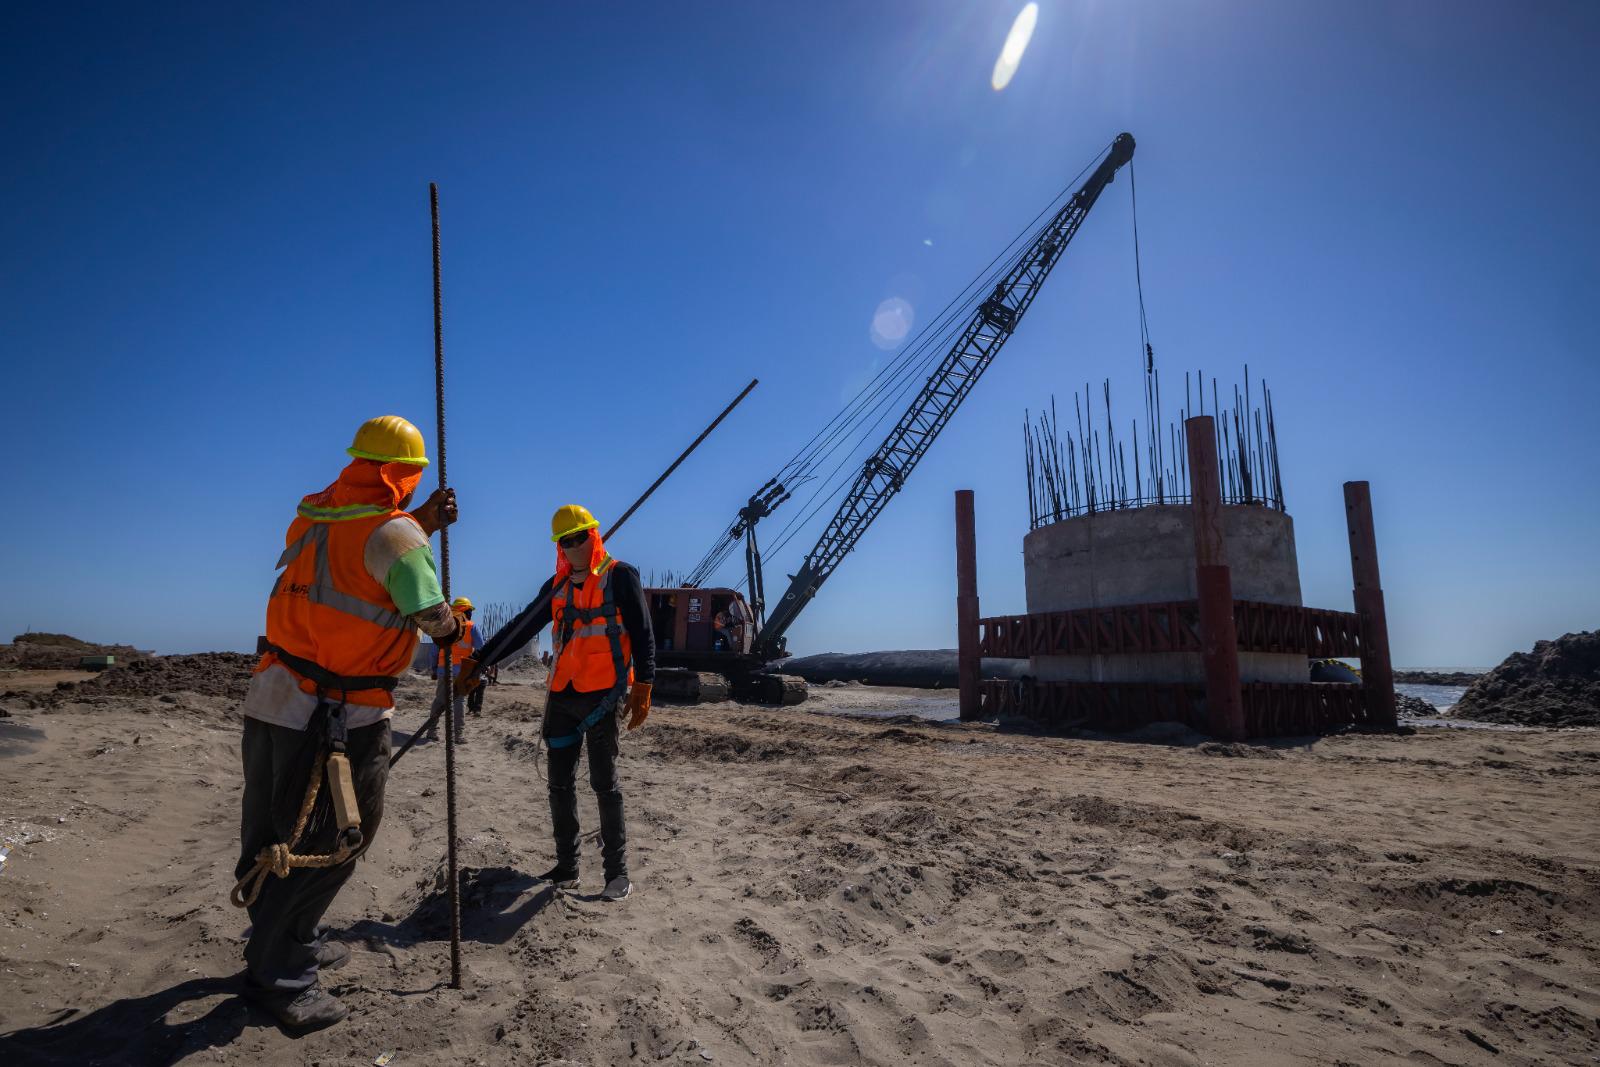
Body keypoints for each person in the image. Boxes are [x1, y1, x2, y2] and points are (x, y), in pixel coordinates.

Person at [234, 415, 462, 1031]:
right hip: (338, 713)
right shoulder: (396, 534)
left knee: (270, 831)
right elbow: (432, 615)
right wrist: (456, 626)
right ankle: (283, 978)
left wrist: (421, 523)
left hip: (273, 697)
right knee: (331, 841)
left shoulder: (313, 517)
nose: (414, 486)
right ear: (395, 473)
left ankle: (287, 943)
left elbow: (357, 561)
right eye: (411, 476)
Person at [459, 504, 654, 902]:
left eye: (580, 537)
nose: (574, 545)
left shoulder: (620, 576)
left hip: (604, 696)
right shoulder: (557, 587)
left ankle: (616, 874)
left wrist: (645, 683)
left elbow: (642, 632)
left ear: (594, 535)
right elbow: (521, 627)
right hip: (562, 698)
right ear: (559, 547)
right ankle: (567, 868)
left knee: (605, 784)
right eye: (566, 541)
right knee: (559, 784)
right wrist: (480, 661)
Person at [423, 595, 483, 743]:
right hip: (462, 671)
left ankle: (431, 731)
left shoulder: (444, 626)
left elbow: (434, 652)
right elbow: (481, 648)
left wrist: (434, 669)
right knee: (459, 702)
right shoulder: (471, 627)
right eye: (470, 611)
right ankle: (458, 735)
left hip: (443, 670)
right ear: (466, 611)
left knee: (439, 701)